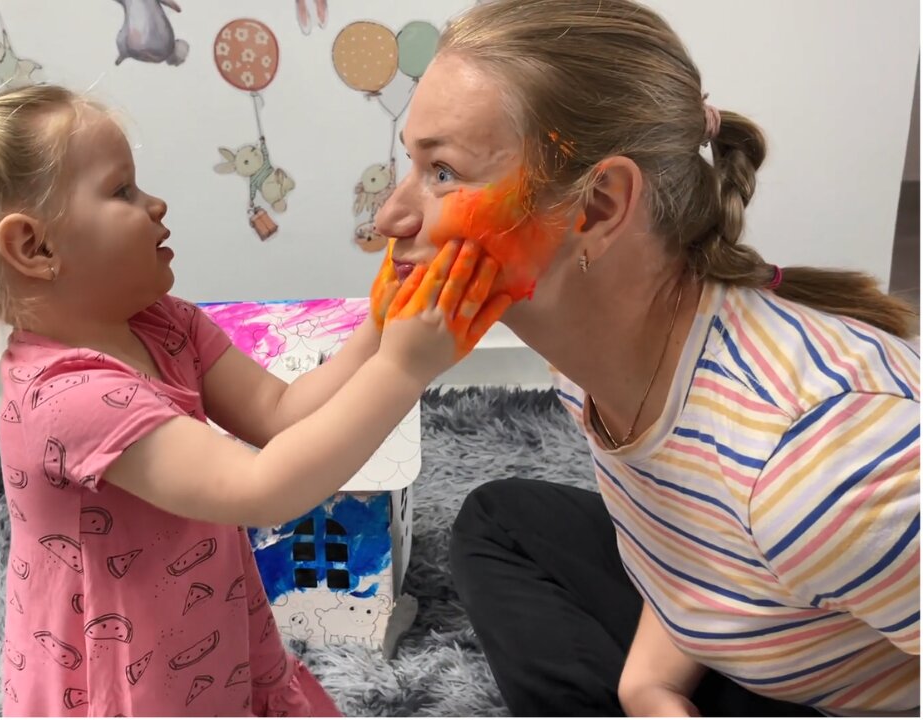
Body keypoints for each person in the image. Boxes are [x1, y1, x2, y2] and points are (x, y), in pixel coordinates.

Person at [0, 84, 502, 716]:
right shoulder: (69, 398)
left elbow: (279, 413)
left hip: (210, 636)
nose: (155, 204)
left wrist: (381, 329)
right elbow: (263, 489)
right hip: (123, 686)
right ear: (34, 247)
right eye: (121, 190)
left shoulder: (164, 321)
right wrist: (404, 371)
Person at [372, 0, 920, 715]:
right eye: (411, 163)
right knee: (499, 519)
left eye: (442, 172)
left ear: (599, 207)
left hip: (823, 694)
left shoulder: (828, 472)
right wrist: (649, 684)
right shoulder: (585, 350)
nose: (389, 215)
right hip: (748, 610)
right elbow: (687, 521)